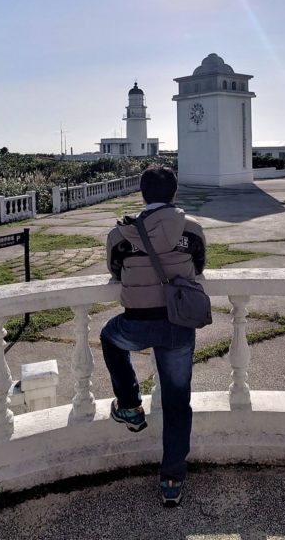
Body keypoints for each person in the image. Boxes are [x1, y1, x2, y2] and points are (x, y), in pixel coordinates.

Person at [100, 164, 206, 507]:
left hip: (137, 324)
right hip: (177, 326)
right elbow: (199, 268)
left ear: (142, 194)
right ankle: (172, 479)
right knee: (177, 402)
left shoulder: (120, 236)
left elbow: (115, 271)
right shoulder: (192, 231)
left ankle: (130, 405)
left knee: (109, 337)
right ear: (174, 193)